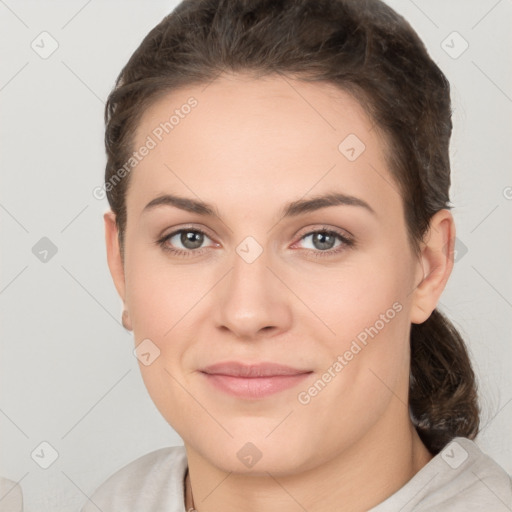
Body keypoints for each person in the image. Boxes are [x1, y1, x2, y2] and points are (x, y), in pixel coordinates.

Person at [82, 0, 512, 510]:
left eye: (322, 239)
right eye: (190, 238)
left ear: (428, 267)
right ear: (121, 263)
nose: (247, 313)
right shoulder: (119, 499)